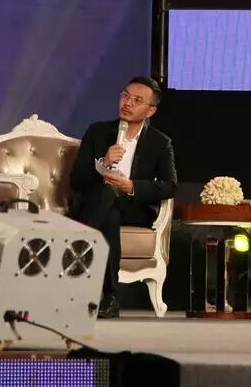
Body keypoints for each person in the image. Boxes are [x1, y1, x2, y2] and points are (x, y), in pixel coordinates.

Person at [70, 76, 177, 318]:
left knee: (112, 200)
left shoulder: (160, 143)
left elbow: (169, 186)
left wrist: (131, 186)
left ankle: (76, 248)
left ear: (150, 110)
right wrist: (103, 163)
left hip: (132, 207)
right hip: (97, 204)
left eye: (137, 100)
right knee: (109, 212)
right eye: (125, 96)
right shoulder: (98, 132)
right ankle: (111, 298)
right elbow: (76, 180)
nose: (127, 103)